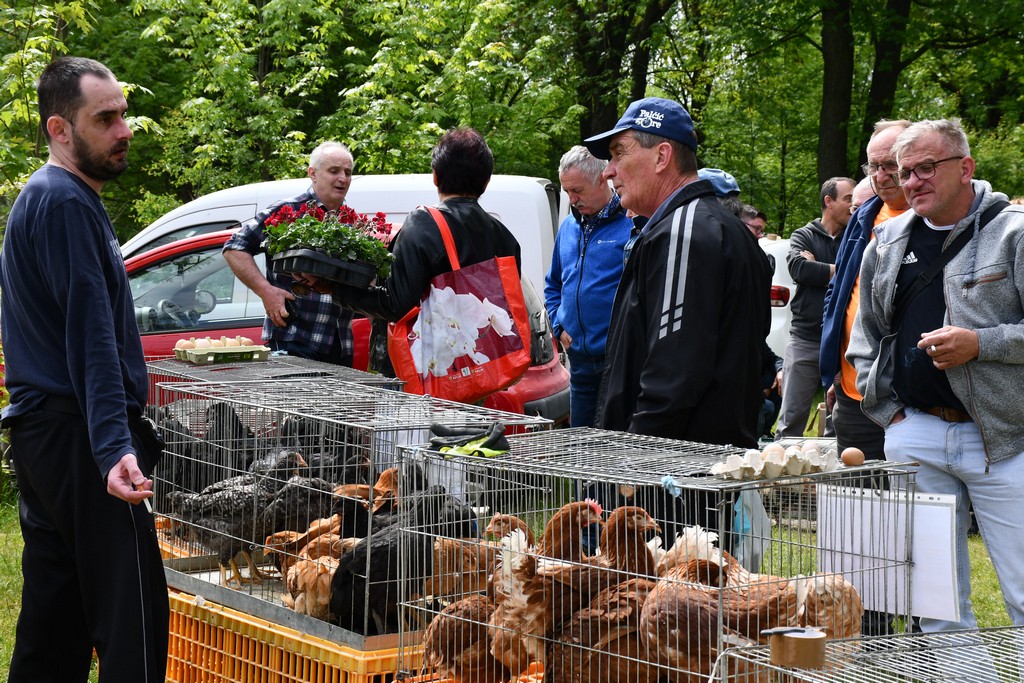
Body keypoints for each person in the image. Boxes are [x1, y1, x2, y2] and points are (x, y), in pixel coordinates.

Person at [0, 56, 168, 682]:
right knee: (135, 619)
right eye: (105, 119)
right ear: (59, 130)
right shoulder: (63, 201)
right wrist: (112, 447)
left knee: (55, 621)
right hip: (78, 438)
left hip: (47, 436)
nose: (123, 129)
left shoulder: (47, 198)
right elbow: (89, 335)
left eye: (123, 114)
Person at [848, 118, 1024, 633]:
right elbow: (867, 336)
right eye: (905, 172)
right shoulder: (885, 241)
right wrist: (891, 415)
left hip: (1005, 438)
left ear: (965, 167)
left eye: (927, 167)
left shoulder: (1013, 232)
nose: (913, 181)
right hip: (916, 431)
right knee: (936, 604)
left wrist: (980, 344)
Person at [583, 97, 771, 552]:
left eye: (619, 154)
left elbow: (674, 368)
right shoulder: (709, 226)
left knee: (664, 613)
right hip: (696, 469)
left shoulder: (686, 230)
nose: (609, 171)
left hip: (673, 477)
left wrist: (632, 464)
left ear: (662, 156)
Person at [313, 127, 521, 324]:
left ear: (435, 176)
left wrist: (335, 289)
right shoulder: (506, 238)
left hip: (434, 358)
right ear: (486, 182)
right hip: (489, 357)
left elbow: (396, 305)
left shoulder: (423, 224)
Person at [820, 120, 911, 460]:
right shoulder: (863, 217)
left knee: (912, 505)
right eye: (873, 167)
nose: (881, 176)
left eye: (891, 166)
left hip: (907, 399)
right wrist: (831, 368)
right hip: (852, 392)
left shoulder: (932, 218)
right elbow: (838, 294)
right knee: (857, 504)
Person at [223, 141, 356, 365]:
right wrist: (267, 292)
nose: (343, 178)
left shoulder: (350, 222)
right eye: (334, 171)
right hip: (294, 341)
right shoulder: (288, 211)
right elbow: (234, 247)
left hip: (339, 344)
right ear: (313, 174)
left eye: (348, 172)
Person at [544, 146, 631, 428]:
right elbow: (553, 284)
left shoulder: (630, 226)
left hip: (618, 362)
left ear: (602, 179)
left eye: (577, 190)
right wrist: (558, 325)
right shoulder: (568, 227)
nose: (572, 199)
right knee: (580, 447)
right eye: (567, 191)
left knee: (615, 445)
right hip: (579, 362)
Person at [774, 177, 854, 438]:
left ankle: (829, 477)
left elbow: (862, 273)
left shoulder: (854, 238)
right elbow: (799, 269)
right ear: (828, 202)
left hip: (844, 343)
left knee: (839, 422)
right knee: (791, 419)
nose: (853, 206)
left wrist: (820, 268)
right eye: (848, 199)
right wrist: (843, 272)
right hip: (805, 339)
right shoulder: (803, 235)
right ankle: (780, 476)